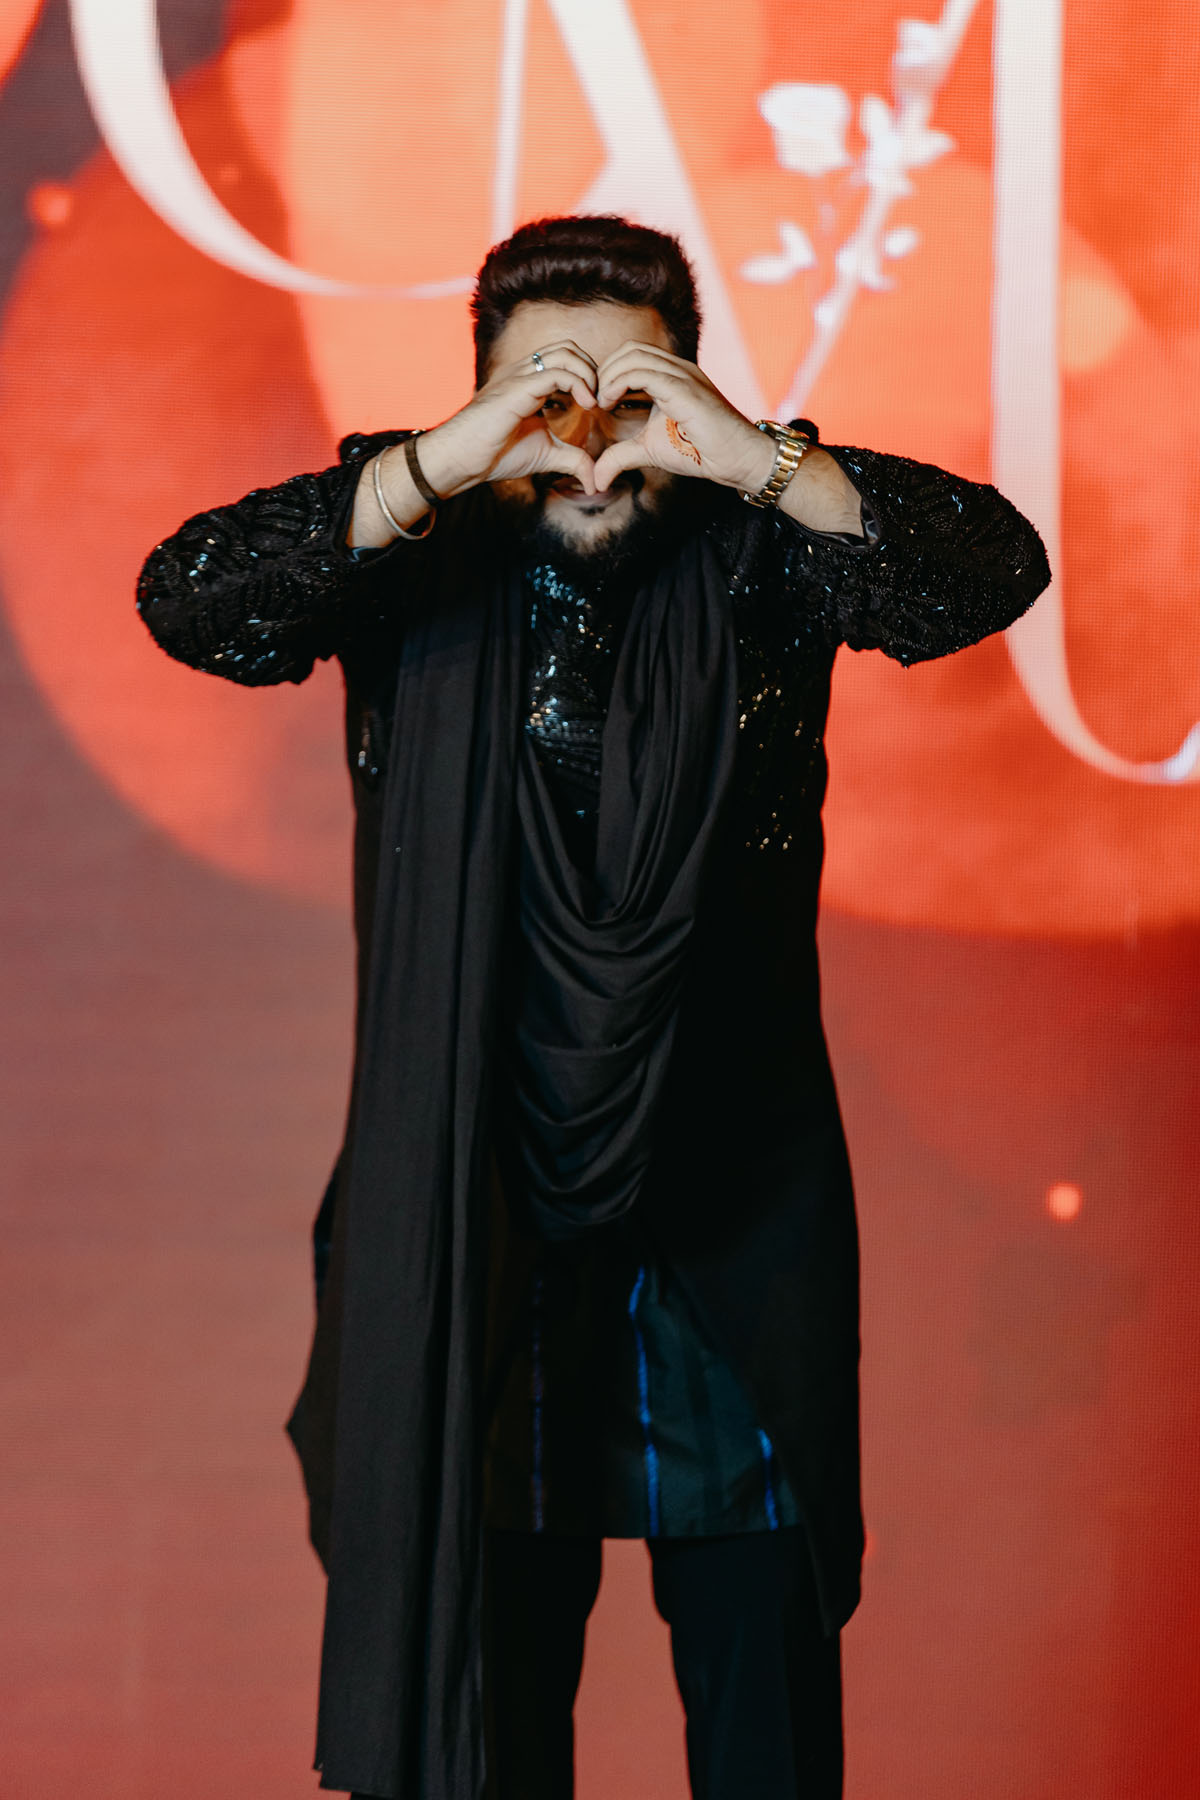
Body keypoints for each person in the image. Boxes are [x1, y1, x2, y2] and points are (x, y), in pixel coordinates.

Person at [136, 214, 1050, 1800]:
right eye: (543, 399)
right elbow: (190, 599)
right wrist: (441, 462)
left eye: (632, 397)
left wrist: (757, 458)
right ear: (478, 406)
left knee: (764, 1714)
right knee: (488, 1708)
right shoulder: (412, 541)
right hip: (473, 1212)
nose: (588, 442)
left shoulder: (758, 550)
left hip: (728, 1211)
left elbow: (989, 570)